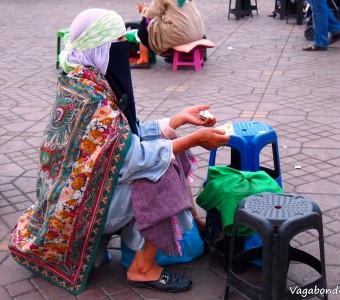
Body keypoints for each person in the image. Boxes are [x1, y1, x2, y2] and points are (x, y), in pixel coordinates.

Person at [8, 8, 229, 295]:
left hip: (73, 200)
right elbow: (133, 159)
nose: (126, 50)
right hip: (78, 213)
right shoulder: (93, 98)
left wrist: (177, 120)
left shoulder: (83, 78)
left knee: (163, 158)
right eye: (119, 43)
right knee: (161, 173)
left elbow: (122, 140)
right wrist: (194, 140)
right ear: (101, 48)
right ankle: (142, 268)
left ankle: (173, 234)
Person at [131, 0, 206, 68]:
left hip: (182, 34)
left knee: (145, 24)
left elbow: (152, 13)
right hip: (198, 32)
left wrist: (143, 9)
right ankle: (178, 54)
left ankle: (144, 59)